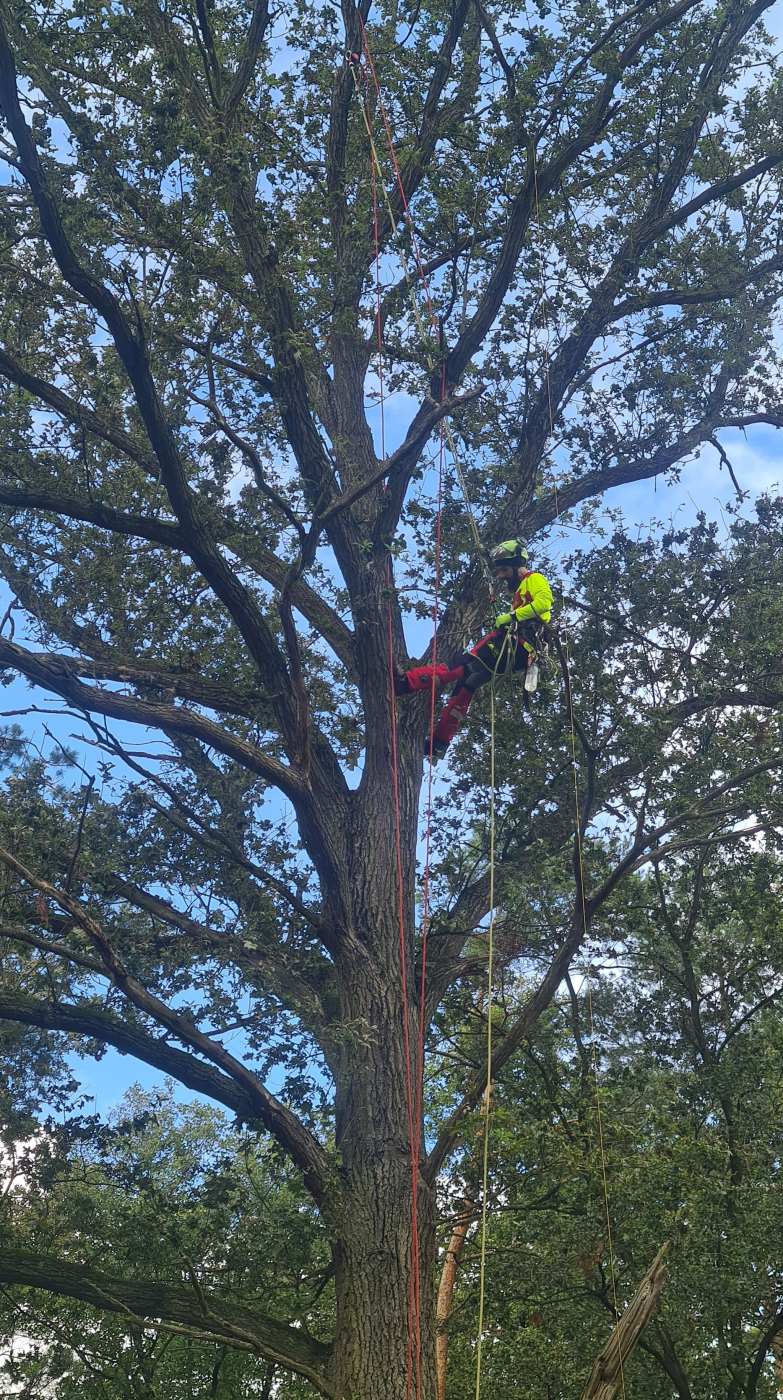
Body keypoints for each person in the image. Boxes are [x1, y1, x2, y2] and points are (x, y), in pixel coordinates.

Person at [395, 539, 554, 760]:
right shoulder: (520, 591)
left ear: (518, 564)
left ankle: (406, 683)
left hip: (517, 645)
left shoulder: (534, 579)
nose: (501, 575)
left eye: (504, 570)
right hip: (518, 651)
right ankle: (439, 743)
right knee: (467, 684)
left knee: (461, 664)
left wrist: (510, 617)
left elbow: (544, 603)